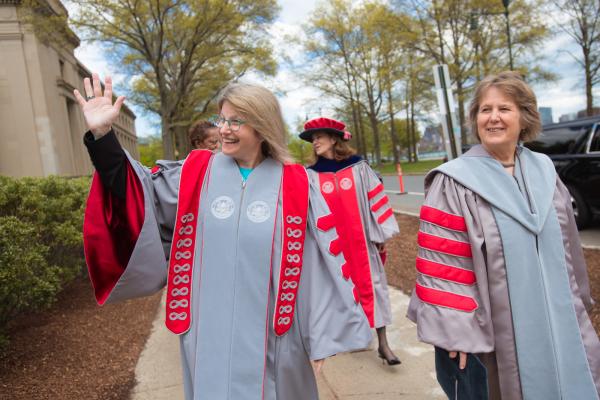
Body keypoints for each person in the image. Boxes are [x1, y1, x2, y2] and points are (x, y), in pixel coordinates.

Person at [74, 74, 372, 400]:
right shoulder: (195, 173)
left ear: (262, 127)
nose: (224, 129)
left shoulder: (298, 184)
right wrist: (103, 136)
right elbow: (135, 196)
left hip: (276, 340)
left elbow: (319, 267)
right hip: (208, 339)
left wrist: (322, 336)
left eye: (236, 121)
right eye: (222, 119)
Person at [407, 71, 600, 399]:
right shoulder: (454, 181)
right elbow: (443, 262)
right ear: (475, 119)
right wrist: (456, 331)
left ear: (524, 118)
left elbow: (569, 246)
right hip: (497, 333)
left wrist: (580, 303)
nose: (493, 117)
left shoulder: (544, 170)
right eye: (485, 109)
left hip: (559, 321)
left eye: (504, 109)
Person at [299, 117, 401, 365]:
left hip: (361, 245)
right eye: (313, 139)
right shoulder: (310, 176)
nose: (316, 142)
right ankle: (349, 337)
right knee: (338, 292)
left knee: (373, 289)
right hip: (332, 249)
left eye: (320, 137)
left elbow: (374, 200)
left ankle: (383, 344)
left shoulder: (358, 168)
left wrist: (380, 234)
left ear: (334, 138)